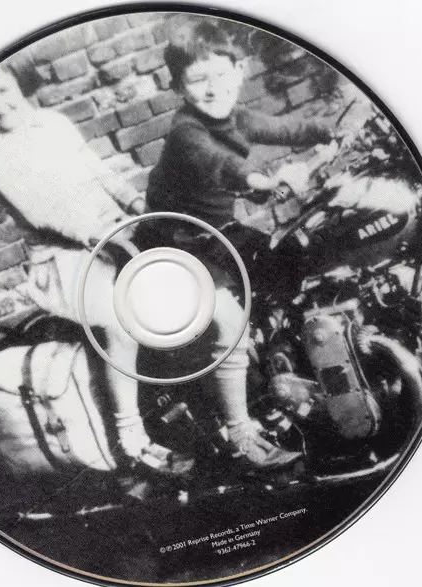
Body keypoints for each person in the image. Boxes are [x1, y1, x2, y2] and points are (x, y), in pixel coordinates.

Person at [0, 64, 183, 475]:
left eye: (4, 90)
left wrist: (137, 205)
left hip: (111, 230)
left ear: (20, 85)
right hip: (65, 255)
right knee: (121, 324)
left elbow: (96, 170)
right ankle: (132, 437)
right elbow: (39, 209)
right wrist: (100, 235)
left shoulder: (53, 123)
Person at [146, 19, 336, 470]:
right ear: (179, 88)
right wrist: (261, 180)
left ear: (240, 69)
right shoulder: (186, 131)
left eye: (221, 74)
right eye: (198, 80)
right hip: (174, 246)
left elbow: (286, 128)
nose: (213, 89)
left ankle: (283, 372)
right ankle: (240, 435)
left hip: (215, 235)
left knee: (292, 255)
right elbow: (219, 164)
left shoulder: (237, 116)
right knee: (230, 322)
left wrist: (329, 130)